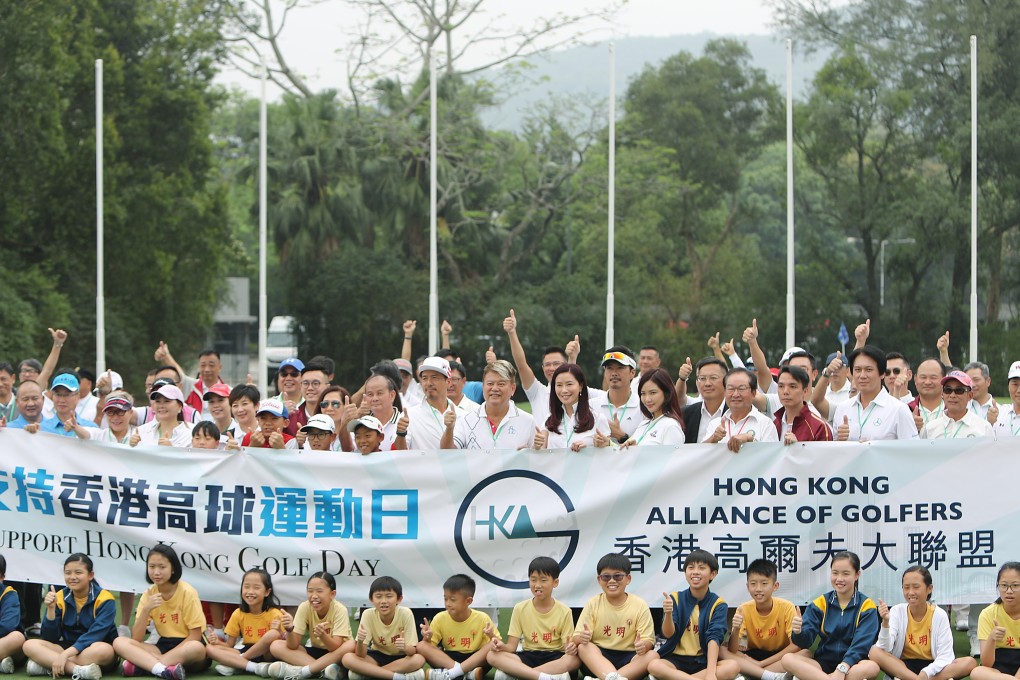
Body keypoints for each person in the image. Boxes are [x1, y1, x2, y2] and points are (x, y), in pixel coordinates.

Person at [112, 544, 207, 679]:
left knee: (195, 647)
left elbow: (195, 635)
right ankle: (164, 669)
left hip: (188, 647)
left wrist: (163, 657)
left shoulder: (187, 592)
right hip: (163, 644)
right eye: (152, 567)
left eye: (162, 567)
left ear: (173, 568)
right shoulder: (149, 593)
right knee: (119, 642)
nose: (156, 572)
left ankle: (149, 666)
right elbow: (137, 638)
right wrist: (146, 609)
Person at [783, 551, 880, 680]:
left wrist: (843, 667)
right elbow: (805, 642)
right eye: (835, 573)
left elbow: (861, 645)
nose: (839, 579)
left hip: (852, 665)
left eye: (846, 574)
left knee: (872, 667)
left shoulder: (867, 606)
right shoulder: (820, 603)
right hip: (823, 663)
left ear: (857, 575)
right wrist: (798, 632)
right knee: (787, 659)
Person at [868, 565, 976, 680]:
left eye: (916, 587)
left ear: (929, 588)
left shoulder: (939, 615)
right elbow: (884, 648)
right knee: (874, 651)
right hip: (903, 666)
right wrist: (885, 622)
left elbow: (945, 656)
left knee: (969, 662)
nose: (910, 592)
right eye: (906, 587)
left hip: (933, 668)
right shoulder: (897, 611)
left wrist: (926, 672)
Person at [22, 553, 117, 679]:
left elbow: (96, 634)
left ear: (90, 575)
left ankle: (50, 665)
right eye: (67, 573)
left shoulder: (105, 598)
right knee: (29, 645)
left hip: (94, 648)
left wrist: (64, 655)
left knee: (105, 650)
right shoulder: (60, 596)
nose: (72, 577)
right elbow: (49, 638)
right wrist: (51, 609)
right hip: (67, 647)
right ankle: (76, 670)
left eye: (78, 572)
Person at [649, 549, 740, 680]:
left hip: (703, 660)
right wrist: (668, 614)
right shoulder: (675, 598)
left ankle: (677, 678)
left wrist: (710, 672)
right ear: (685, 572)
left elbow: (714, 638)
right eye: (690, 567)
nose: (695, 572)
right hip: (675, 659)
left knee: (733, 666)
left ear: (712, 574)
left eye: (701, 568)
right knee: (654, 665)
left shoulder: (719, 604)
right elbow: (667, 634)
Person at [486, 557, 577, 680]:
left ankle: (522, 674)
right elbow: (511, 648)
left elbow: (567, 648)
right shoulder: (520, 608)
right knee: (492, 655)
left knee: (574, 659)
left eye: (543, 580)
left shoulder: (565, 611)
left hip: (555, 657)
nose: (537, 585)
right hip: (528, 656)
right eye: (533, 580)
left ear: (555, 582)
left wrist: (570, 648)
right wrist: (501, 646)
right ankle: (543, 677)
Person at [572, 553, 656, 680]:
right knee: (584, 647)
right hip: (599, 658)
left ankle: (609, 677)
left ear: (628, 579)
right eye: (606, 577)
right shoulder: (593, 603)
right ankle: (614, 677)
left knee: (652, 656)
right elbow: (576, 638)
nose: (612, 581)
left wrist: (643, 646)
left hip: (630, 657)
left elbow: (648, 641)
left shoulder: (640, 604)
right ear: (599, 580)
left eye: (618, 576)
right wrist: (582, 638)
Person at [721, 559, 799, 680]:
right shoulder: (744, 609)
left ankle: (755, 672)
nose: (758, 589)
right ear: (747, 586)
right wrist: (735, 629)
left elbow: (795, 646)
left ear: (775, 586)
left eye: (764, 583)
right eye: (753, 584)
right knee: (721, 650)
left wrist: (761, 664)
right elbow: (733, 649)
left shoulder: (787, 607)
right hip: (754, 654)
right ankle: (771, 675)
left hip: (781, 655)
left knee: (805, 653)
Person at [267, 573, 354, 680]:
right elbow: (293, 645)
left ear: (332, 594)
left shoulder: (340, 609)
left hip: (338, 654)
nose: (314, 596)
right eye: (310, 591)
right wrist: (289, 629)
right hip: (315, 652)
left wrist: (323, 635)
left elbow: (335, 647)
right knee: (276, 645)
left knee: (350, 645)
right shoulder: (304, 606)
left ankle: (304, 671)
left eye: (319, 591)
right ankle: (322, 670)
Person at [340, 576, 423, 680]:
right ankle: (397, 677)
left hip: (401, 658)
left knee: (418, 659)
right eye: (378, 596)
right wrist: (360, 641)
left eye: (389, 596)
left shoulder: (406, 613)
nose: (383, 601)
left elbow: (412, 651)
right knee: (347, 658)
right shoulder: (367, 614)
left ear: (399, 599)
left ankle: (371, 673)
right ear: (371, 599)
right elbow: (360, 654)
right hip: (377, 656)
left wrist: (405, 647)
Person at [416, 574, 498, 680]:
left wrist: (491, 636)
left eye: (453, 600)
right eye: (445, 599)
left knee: (491, 645)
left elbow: (498, 644)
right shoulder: (440, 618)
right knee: (421, 645)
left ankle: (451, 673)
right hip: (449, 658)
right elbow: (429, 647)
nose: (448, 603)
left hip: (476, 660)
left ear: (468, 601)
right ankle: (464, 673)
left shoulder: (482, 618)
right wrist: (426, 638)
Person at [206, 568, 284, 677]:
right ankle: (251, 666)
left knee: (274, 634)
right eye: (246, 587)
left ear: (267, 592)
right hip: (245, 649)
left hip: (267, 654)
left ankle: (238, 663)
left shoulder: (275, 614)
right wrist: (216, 642)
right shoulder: (238, 613)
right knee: (210, 648)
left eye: (256, 587)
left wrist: (280, 631)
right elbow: (229, 645)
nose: (250, 592)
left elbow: (283, 642)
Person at [442, 361, 535, 450]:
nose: (494, 388)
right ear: (483, 387)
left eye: (501, 384)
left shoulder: (528, 421)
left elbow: (537, 460)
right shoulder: (466, 420)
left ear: (513, 388)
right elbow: (447, 452)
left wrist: (528, 455)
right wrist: (449, 429)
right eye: (490, 384)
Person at [833, 346, 918, 441]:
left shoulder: (899, 409)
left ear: (882, 374)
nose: (862, 375)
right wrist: (840, 440)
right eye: (857, 370)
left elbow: (912, 451)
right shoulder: (842, 408)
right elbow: (835, 452)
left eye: (869, 370)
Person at [535, 364, 610, 451]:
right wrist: (536, 446)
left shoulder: (598, 419)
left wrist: (590, 447)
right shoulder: (549, 420)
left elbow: (608, 455)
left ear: (581, 386)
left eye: (569, 384)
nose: (564, 390)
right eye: (559, 385)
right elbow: (540, 453)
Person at [702, 368, 777, 451]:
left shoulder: (765, 424)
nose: (735, 394)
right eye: (730, 389)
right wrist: (713, 438)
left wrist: (751, 441)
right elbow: (700, 454)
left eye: (741, 389)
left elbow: (772, 456)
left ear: (753, 393)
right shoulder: (715, 424)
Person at [971, 562, 1020, 680]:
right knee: (977, 672)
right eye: (1004, 585)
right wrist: (992, 638)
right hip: (998, 667)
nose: (1009, 591)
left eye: (1015, 585)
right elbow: (987, 663)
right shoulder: (988, 614)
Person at [394, 357, 455, 450]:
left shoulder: (463, 416)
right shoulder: (408, 416)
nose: (429, 383)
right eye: (425, 378)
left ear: (448, 381)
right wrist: (401, 433)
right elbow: (400, 453)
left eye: (434, 378)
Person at [919, 370, 995, 439]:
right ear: (942, 394)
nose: (952, 395)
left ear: (970, 396)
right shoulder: (930, 428)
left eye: (959, 390)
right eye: (948, 390)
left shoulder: (984, 428)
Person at [620, 368, 685, 448]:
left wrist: (637, 453)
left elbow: (672, 459)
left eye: (653, 393)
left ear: (667, 393)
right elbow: (621, 451)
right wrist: (608, 443)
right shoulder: (643, 424)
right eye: (643, 394)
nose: (647, 399)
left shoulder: (671, 426)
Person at [773, 366, 833, 444]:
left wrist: (799, 447)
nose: (785, 391)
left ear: (805, 391)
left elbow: (827, 455)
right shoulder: (774, 424)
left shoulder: (819, 427)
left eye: (792, 386)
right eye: (781, 386)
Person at [597, 349, 644, 444]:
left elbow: (648, 448)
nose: (614, 373)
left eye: (620, 367)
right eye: (609, 368)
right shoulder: (590, 406)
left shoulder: (644, 407)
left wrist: (622, 436)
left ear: (632, 373)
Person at [679, 359, 728, 444]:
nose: (707, 383)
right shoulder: (687, 414)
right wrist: (682, 378)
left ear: (726, 381)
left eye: (713, 378)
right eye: (702, 378)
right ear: (697, 383)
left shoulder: (736, 412)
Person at [41, 373, 98, 437]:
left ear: (78, 397)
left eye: (67, 395)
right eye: (58, 394)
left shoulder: (91, 428)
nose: (62, 400)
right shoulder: (41, 429)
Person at [69, 391, 137, 445]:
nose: (115, 417)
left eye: (120, 412)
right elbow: (86, 435)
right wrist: (76, 427)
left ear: (130, 413)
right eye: (110, 412)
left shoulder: (140, 435)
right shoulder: (99, 435)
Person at [288, 362, 330, 438]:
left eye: (316, 383)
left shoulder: (335, 414)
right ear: (300, 386)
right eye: (305, 383)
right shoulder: (291, 418)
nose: (310, 388)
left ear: (327, 387)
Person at [0, 554, 26, 675]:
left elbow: (7, 626)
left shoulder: (9, 594)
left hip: (7, 642)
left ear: (2, 577)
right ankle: (3, 661)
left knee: (17, 638)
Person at [909, 358, 948, 432]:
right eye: (923, 377)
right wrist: (909, 426)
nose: (927, 382)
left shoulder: (953, 411)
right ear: (915, 379)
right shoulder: (907, 410)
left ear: (944, 380)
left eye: (933, 377)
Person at [314, 386, 351, 451]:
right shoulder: (310, 436)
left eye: (335, 404)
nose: (329, 408)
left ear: (346, 406)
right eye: (325, 404)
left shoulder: (355, 436)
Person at [993, 360, 1020, 438]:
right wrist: (990, 424)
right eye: (1015, 384)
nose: (1019, 390)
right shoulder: (999, 414)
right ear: (1008, 386)